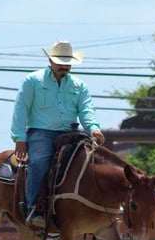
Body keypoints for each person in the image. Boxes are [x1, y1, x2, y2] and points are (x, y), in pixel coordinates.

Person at [11, 40, 105, 228]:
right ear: (50, 61)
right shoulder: (33, 81)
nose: (64, 66)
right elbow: (21, 108)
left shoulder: (79, 86)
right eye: (60, 62)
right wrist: (20, 138)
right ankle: (34, 209)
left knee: (92, 163)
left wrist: (93, 128)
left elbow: (86, 109)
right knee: (39, 163)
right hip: (41, 133)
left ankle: (92, 207)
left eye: (67, 63)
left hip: (72, 133)